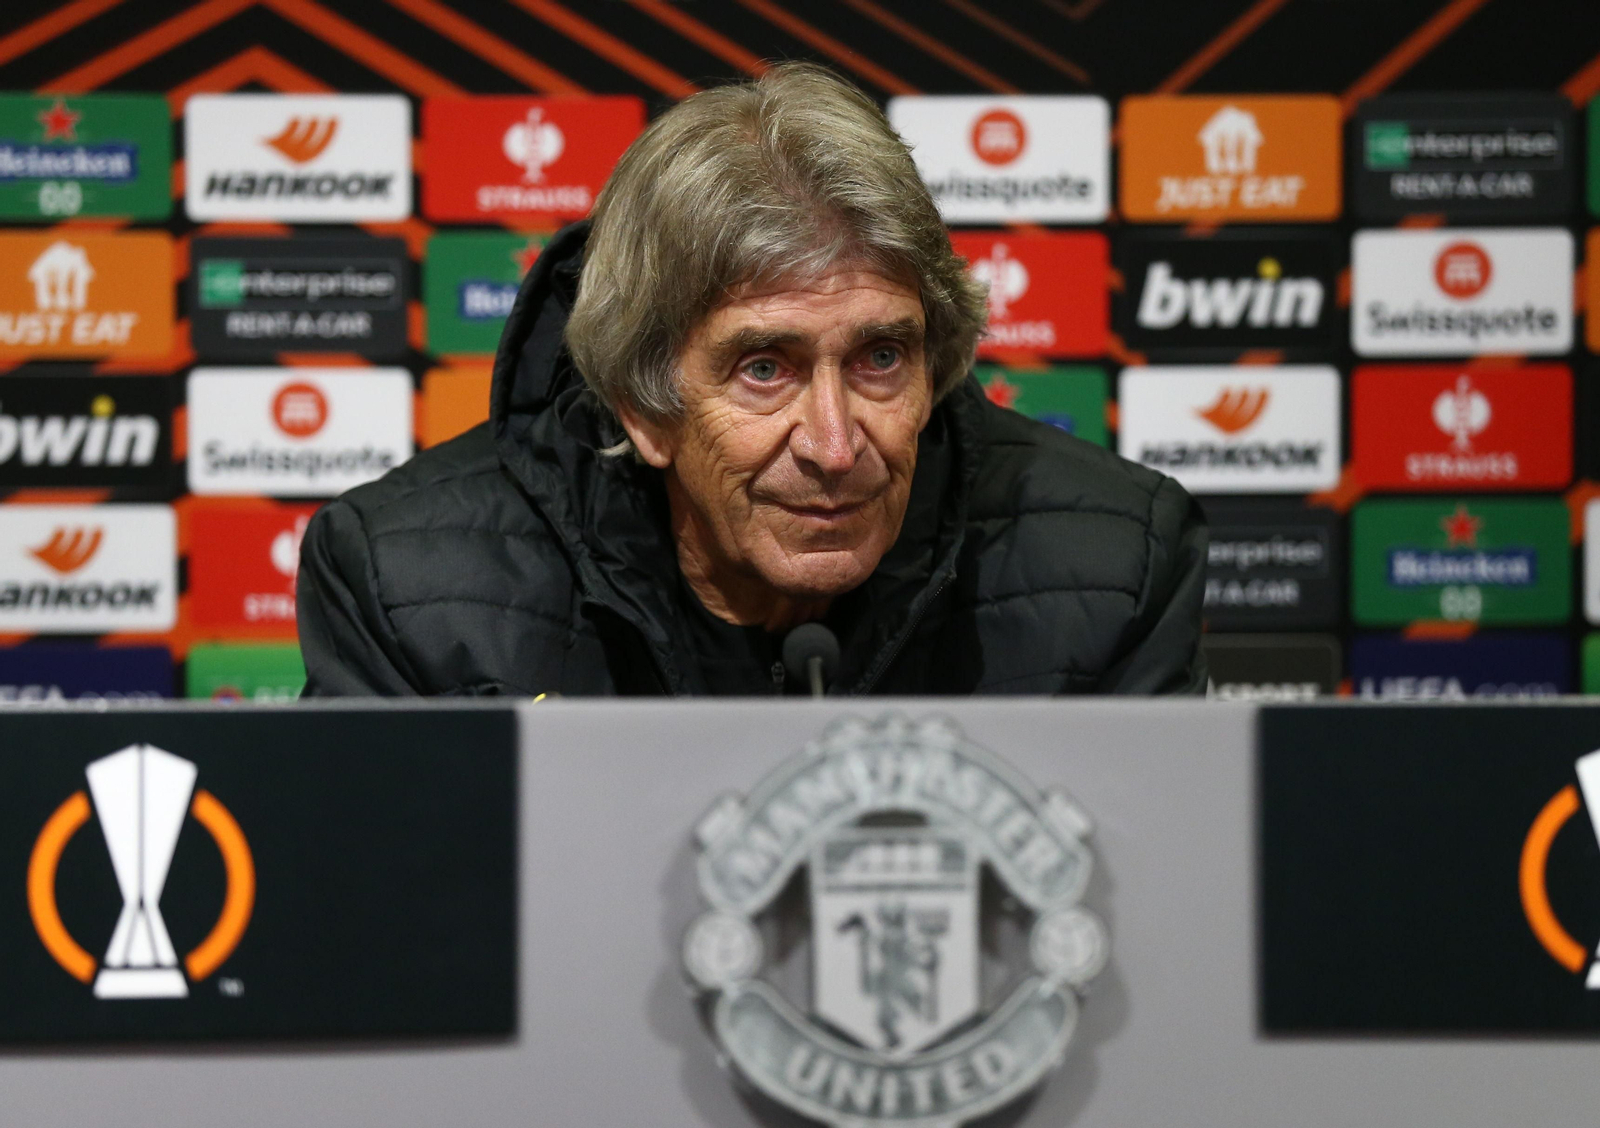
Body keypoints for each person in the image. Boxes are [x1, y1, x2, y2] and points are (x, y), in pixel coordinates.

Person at [296, 63, 1206, 697]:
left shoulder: (1116, 570)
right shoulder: (405, 588)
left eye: (880, 358)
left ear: (937, 365)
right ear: (641, 404)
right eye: (765, 368)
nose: (835, 445)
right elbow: (384, 947)